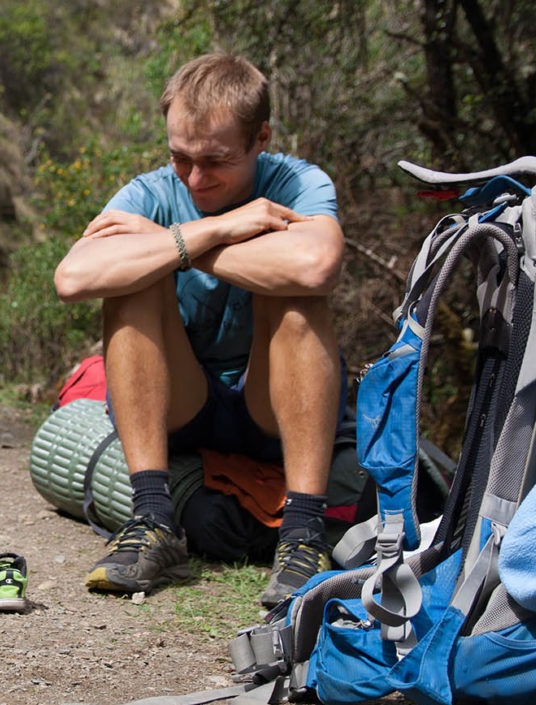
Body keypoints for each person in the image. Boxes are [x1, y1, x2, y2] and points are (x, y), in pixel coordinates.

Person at [54, 53, 344, 607]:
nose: (195, 177)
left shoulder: (299, 181)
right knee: (130, 281)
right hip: (181, 406)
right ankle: (152, 521)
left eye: (215, 161)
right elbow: (72, 278)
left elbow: (316, 267)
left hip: (269, 408)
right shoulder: (150, 193)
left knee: (298, 298)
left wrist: (183, 245)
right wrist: (214, 231)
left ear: (261, 137)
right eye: (180, 158)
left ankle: (303, 534)